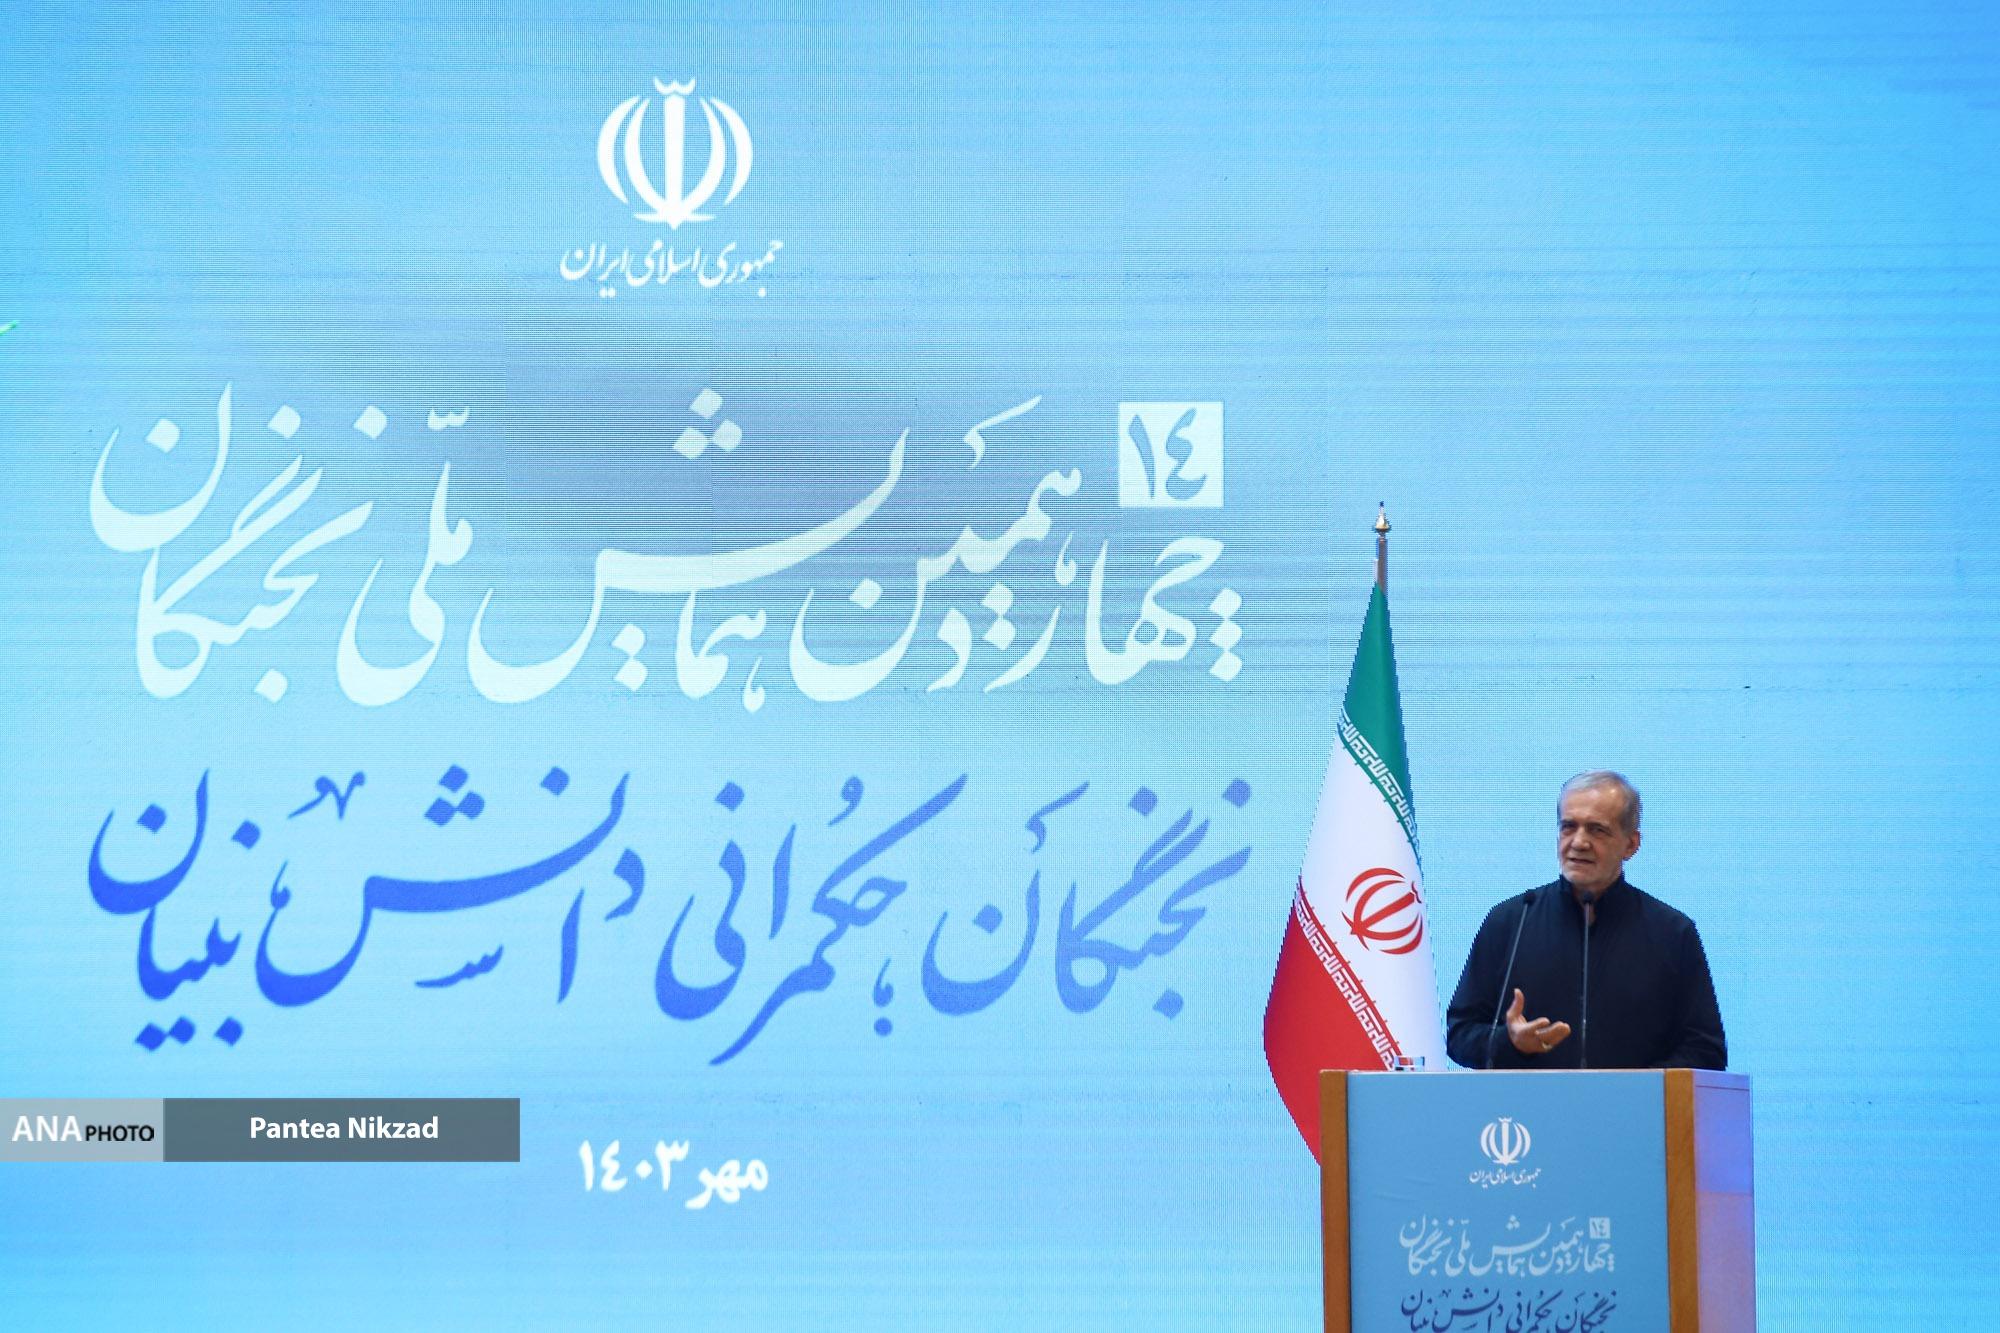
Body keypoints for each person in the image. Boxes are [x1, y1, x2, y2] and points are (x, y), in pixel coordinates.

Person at [1445, 771, 1726, 1070]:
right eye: (1568, 827)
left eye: (1597, 830)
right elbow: (1460, 1034)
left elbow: (1705, 1050)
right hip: (1528, 1101)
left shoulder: (1672, 932)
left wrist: (1635, 1087)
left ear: (1631, 844)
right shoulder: (1511, 922)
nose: (1579, 842)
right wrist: (1509, 1042)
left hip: (1633, 1102)